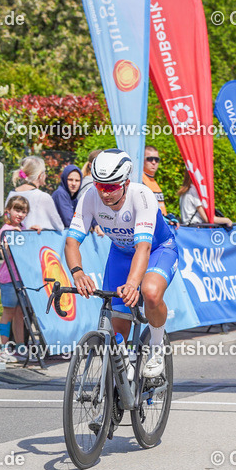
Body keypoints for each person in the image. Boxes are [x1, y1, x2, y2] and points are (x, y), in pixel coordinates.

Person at [64, 149, 177, 379]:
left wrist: (133, 284)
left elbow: (143, 248)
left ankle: (157, 348)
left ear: (126, 183)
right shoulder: (90, 196)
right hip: (121, 253)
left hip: (158, 249)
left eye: (111, 187)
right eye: (100, 186)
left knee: (150, 293)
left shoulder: (142, 196)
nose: (104, 193)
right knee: (118, 325)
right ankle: (125, 368)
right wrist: (77, 273)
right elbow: (71, 242)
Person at [0, 195, 42, 360]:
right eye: (17, 210)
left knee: (20, 315)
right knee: (8, 313)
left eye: (24, 211)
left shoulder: (23, 228)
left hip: (23, 279)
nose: (20, 214)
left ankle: (20, 348)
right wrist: (12, 238)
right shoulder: (5, 230)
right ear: (8, 210)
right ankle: (3, 349)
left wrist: (33, 232)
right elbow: (5, 254)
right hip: (9, 279)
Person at [8, 156, 64, 230]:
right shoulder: (43, 196)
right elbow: (59, 226)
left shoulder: (11, 193)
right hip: (35, 236)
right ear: (40, 175)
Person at [141, 145, 167, 216]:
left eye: (156, 159)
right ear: (142, 159)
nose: (154, 162)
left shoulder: (153, 181)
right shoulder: (139, 180)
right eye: (150, 159)